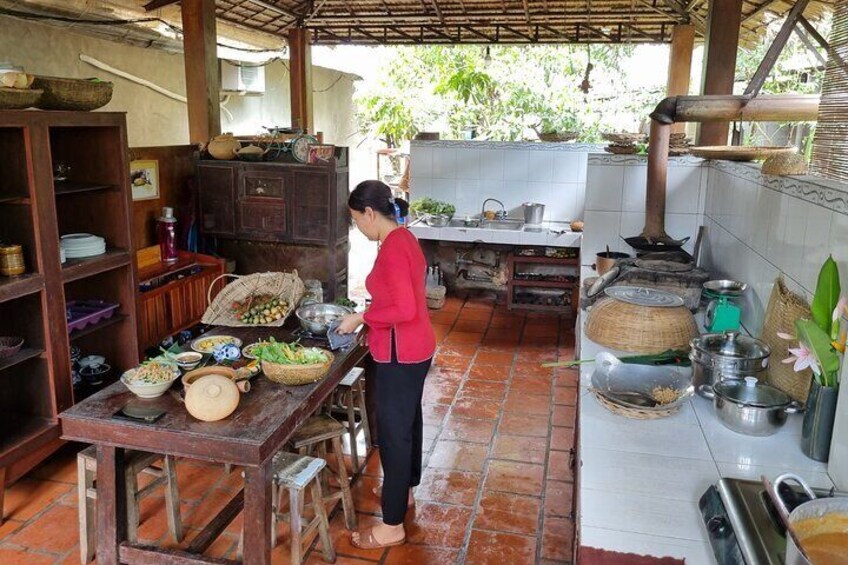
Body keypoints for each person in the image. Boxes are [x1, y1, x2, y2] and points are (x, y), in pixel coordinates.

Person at [336, 180, 436, 549]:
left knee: (394, 434)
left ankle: (392, 525)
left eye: (355, 220)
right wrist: (372, 318)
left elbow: (403, 309)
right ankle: (404, 491)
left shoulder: (393, 247)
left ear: (369, 213)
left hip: (401, 352)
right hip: (416, 348)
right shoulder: (404, 237)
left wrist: (361, 318)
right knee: (408, 421)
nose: (357, 228)